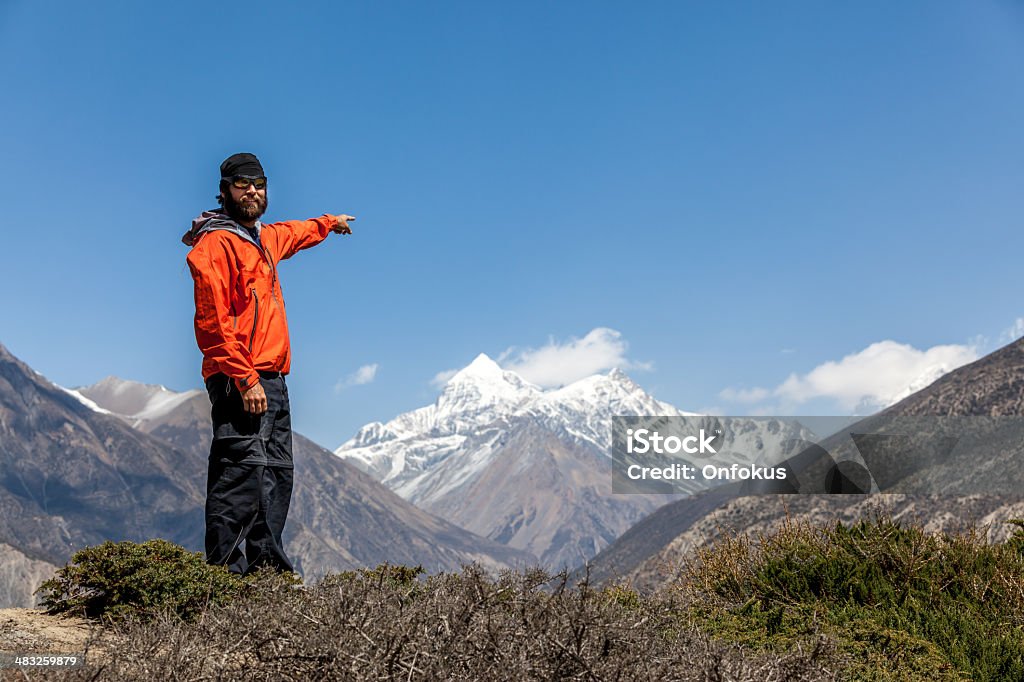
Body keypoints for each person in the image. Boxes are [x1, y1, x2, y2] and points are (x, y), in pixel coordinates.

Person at [182, 152, 355, 575]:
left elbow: (294, 233)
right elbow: (212, 322)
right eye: (242, 185)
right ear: (224, 191)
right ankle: (223, 579)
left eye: (259, 184)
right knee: (239, 475)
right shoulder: (215, 245)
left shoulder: (262, 239)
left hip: (274, 379)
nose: (252, 191)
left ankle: (265, 580)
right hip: (239, 376)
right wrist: (244, 378)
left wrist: (330, 223)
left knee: (276, 475)